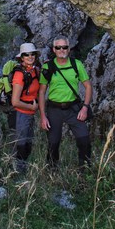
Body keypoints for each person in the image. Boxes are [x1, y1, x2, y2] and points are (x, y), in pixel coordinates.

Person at [38, 36, 92, 172]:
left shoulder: (76, 64)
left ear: (69, 49)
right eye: (58, 47)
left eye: (64, 47)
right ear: (54, 50)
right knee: (53, 143)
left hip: (73, 108)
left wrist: (84, 108)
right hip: (54, 109)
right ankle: (52, 171)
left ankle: (85, 171)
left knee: (84, 139)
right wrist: (43, 116)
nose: (62, 50)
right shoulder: (47, 66)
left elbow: (88, 86)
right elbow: (41, 91)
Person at [11, 42, 41, 173]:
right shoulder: (19, 75)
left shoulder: (34, 70)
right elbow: (15, 102)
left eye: (32, 54)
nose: (30, 57)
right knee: (22, 144)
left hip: (30, 113)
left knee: (28, 142)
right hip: (22, 113)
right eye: (26, 55)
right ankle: (18, 172)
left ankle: (23, 168)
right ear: (21, 58)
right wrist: (32, 106)